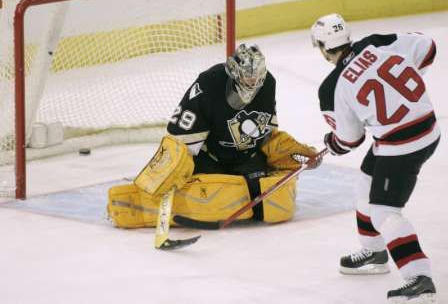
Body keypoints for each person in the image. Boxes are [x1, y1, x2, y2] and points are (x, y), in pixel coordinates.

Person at [108, 44, 320, 228]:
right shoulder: (209, 83)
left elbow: (265, 133)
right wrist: (169, 173)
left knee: (271, 206)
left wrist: (291, 152)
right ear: (234, 71)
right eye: (248, 76)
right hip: (209, 158)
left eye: (257, 77)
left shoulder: (268, 84)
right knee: (206, 196)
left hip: (246, 159)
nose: (253, 82)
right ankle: (143, 204)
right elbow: (180, 139)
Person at [311, 13, 439, 303]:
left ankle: (419, 279)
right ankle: (375, 252)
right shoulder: (378, 43)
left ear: (322, 46)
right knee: (366, 184)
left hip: (401, 145)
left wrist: (332, 143)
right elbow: (428, 47)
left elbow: (349, 139)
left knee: (383, 211)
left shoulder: (331, 87)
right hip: (427, 127)